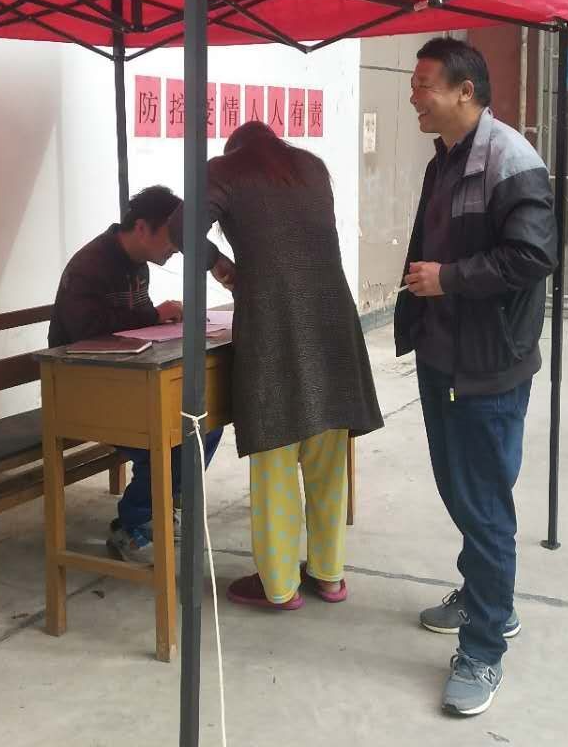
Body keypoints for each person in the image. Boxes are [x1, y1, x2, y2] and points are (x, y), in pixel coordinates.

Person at [394, 38, 557, 718]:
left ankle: (484, 645)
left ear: (466, 91)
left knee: (484, 503)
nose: (414, 95)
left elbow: (533, 256)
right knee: (463, 492)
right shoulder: (447, 157)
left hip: (488, 363)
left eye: (424, 84)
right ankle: (487, 595)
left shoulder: (510, 159)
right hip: (443, 353)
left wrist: (450, 279)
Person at [170, 122, 383, 610]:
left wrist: (218, 264)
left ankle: (279, 586)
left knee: (275, 456)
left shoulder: (225, 171)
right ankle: (329, 574)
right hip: (332, 319)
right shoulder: (311, 169)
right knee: (328, 453)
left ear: (236, 149)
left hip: (273, 325)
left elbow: (180, 228)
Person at [48, 185, 226, 564]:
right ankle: (133, 524)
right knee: (168, 440)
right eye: (172, 237)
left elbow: (133, 328)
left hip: (124, 384)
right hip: (84, 390)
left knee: (205, 423)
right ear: (142, 228)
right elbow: (86, 332)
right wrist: (153, 315)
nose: (177, 248)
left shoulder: (137, 264)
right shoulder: (90, 265)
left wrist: (161, 321)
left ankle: (160, 505)